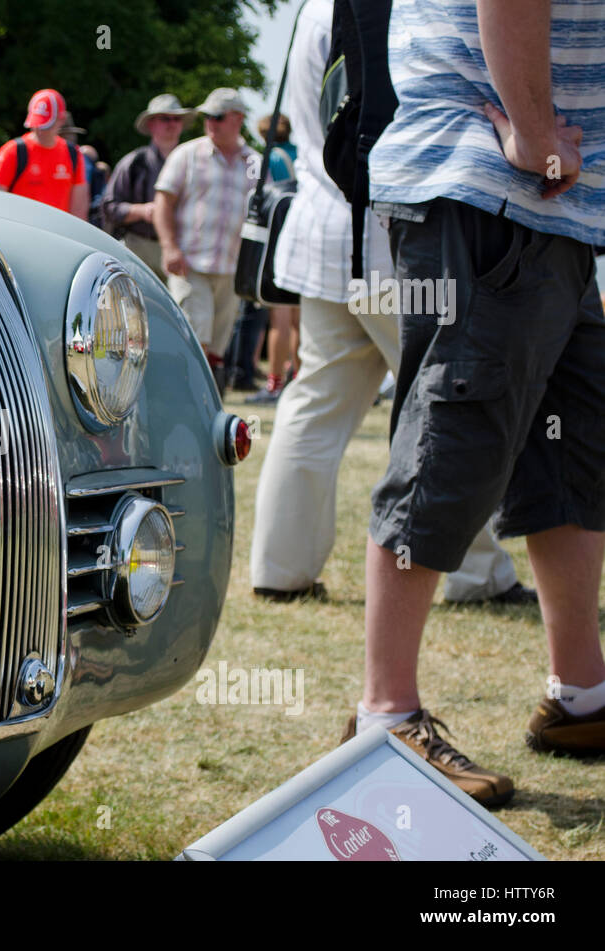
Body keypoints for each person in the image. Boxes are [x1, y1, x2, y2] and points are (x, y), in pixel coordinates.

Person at [351, 0, 605, 806]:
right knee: (449, 445)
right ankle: (385, 717)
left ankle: (582, 696)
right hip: (493, 184)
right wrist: (533, 135)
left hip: (546, 200)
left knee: (567, 459)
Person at [251, 0, 533, 615]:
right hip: (392, 234)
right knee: (448, 407)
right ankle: (475, 572)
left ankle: (280, 566)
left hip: (324, 229)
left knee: (315, 402)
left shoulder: (308, 11)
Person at [154, 88, 258, 384]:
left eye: (217, 116)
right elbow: (163, 202)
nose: (209, 122)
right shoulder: (187, 154)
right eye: (206, 117)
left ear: (238, 118)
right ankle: (186, 399)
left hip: (232, 269)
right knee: (194, 337)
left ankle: (209, 406)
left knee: (217, 348)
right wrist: (169, 247)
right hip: (189, 264)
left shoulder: (255, 162)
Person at [101, 93, 195, 276]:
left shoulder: (193, 164)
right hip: (139, 247)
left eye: (176, 119)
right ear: (151, 124)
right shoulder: (134, 162)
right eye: (165, 118)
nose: (172, 123)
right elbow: (109, 207)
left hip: (181, 248)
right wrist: (142, 211)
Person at [247, 113, 302, 403]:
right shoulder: (302, 153)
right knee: (299, 318)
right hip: (305, 236)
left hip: (278, 237)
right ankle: (298, 379)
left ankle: (275, 382)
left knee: (278, 316)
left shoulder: (268, 158)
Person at [0, 89, 89, 218]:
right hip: (20, 233)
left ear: (61, 119)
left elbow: (79, 210)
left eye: (46, 125)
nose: (40, 130)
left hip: (59, 234)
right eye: (38, 123)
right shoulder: (12, 151)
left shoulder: (73, 153)